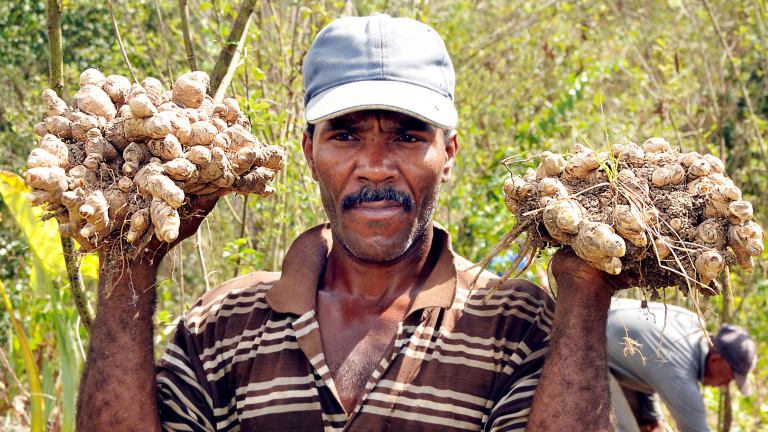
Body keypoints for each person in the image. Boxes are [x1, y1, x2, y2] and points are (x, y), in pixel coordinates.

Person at [76, 14, 626, 431]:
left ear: (449, 154)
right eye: (345, 135)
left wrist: (585, 292)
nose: (376, 165)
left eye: (408, 136)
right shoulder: (223, 324)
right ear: (309, 151)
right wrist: (131, 262)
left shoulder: (515, 324)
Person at [607, 298, 758, 432]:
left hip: (600, 328)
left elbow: (645, 360)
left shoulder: (690, 322)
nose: (725, 385)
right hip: (593, 346)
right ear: (715, 359)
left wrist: (653, 418)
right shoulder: (681, 369)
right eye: (728, 378)